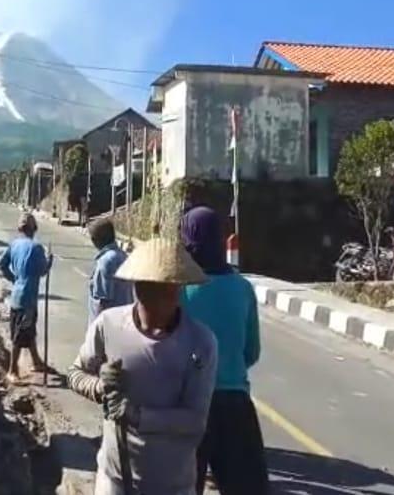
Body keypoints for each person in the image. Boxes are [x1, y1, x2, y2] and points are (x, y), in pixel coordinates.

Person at [67, 238, 218, 495]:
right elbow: (75, 374)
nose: (170, 299)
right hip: (115, 477)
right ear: (138, 290)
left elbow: (195, 421)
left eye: (173, 290)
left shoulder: (200, 342)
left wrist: (138, 416)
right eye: (158, 291)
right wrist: (100, 387)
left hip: (173, 484)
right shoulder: (109, 325)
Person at [179, 202, 269, 495]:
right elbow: (251, 353)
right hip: (235, 406)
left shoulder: (179, 289)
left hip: (187, 404)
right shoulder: (243, 288)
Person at [0, 213, 53, 384]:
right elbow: (43, 270)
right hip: (28, 298)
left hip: (17, 295)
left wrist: (14, 278)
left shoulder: (13, 245)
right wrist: (49, 261)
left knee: (28, 331)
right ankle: (12, 370)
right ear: (33, 229)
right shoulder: (36, 248)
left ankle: (36, 361)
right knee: (20, 334)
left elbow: (1, 265)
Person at [86, 218, 133, 327]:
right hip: (124, 323)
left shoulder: (105, 262)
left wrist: (100, 331)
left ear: (95, 240)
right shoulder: (123, 256)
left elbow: (103, 302)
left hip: (108, 328)